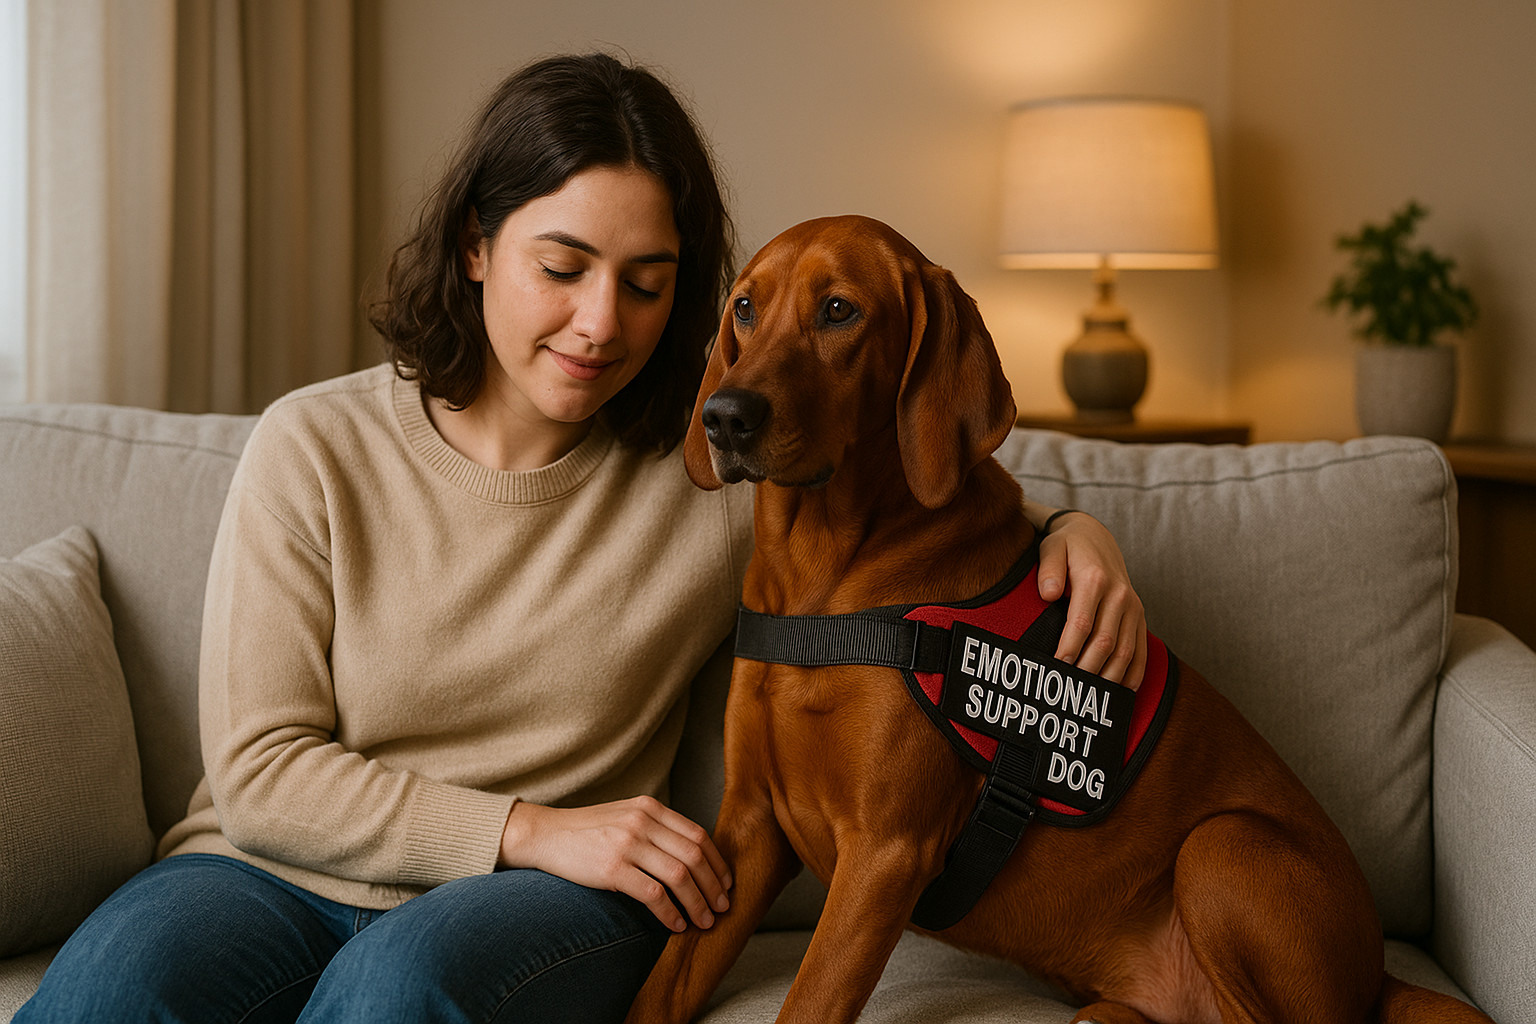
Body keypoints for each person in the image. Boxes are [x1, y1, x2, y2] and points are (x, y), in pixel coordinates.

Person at [17, 53, 1146, 1024]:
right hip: (266, 872)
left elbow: (910, 489)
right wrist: (526, 827)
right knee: (123, 982)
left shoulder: (707, 476)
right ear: (475, 247)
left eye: (648, 286)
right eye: (562, 268)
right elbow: (261, 775)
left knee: (399, 990)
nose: (602, 324)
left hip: (551, 907)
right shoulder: (312, 447)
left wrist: (1070, 527)